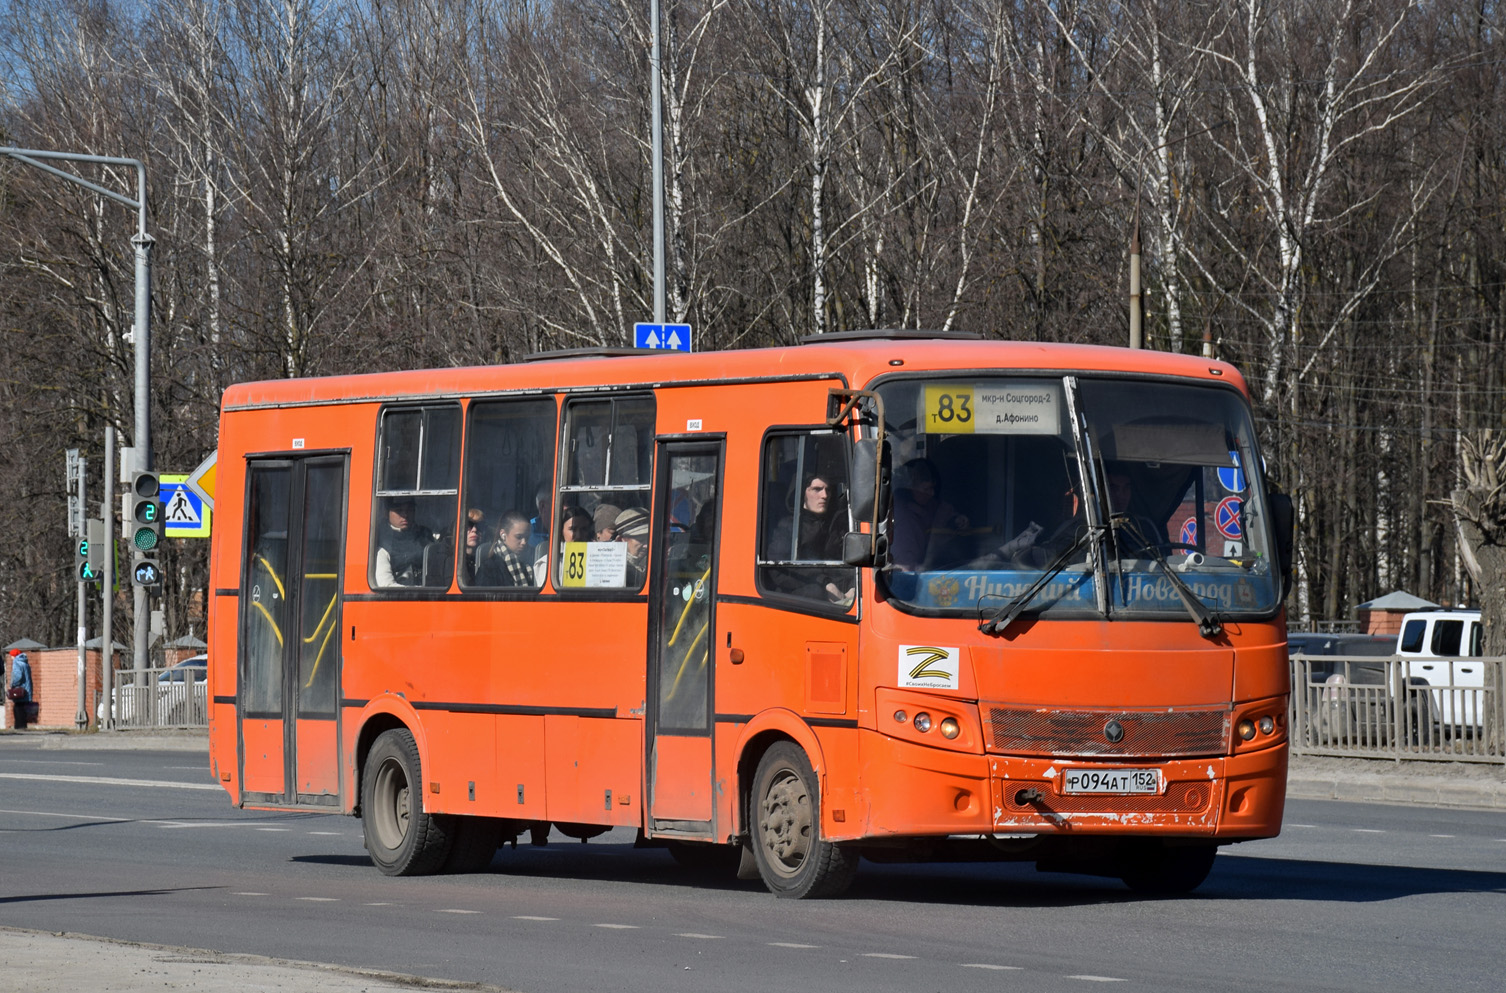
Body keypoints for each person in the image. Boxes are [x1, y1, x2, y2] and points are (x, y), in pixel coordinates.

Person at [766, 473, 852, 604]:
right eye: (817, 489)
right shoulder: (789, 526)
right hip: (801, 600)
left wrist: (853, 586)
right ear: (802, 493)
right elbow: (777, 569)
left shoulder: (834, 525)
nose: (825, 495)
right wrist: (824, 584)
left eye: (828, 490)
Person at [890, 458, 969, 571]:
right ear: (909, 488)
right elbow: (904, 566)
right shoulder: (901, 517)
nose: (931, 494)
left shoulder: (931, 505)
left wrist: (957, 520)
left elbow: (944, 512)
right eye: (926, 489)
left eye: (933, 488)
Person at [374, 497, 433, 587]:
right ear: (386, 513)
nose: (405, 514)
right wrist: (419, 590)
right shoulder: (380, 543)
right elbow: (386, 585)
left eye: (409, 510)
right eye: (399, 510)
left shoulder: (425, 535)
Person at [477, 510, 535, 588]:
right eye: (519, 537)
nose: (524, 542)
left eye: (527, 537)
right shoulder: (489, 568)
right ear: (503, 534)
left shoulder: (532, 562)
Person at [538, 505, 593, 584]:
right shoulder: (549, 564)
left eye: (584, 529)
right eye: (572, 529)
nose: (578, 535)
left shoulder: (596, 558)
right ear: (561, 531)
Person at [614, 507, 650, 587]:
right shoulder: (613, 569)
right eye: (640, 539)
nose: (646, 545)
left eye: (648, 539)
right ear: (620, 540)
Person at [8, 649, 33, 730]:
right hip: (26, 690)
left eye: (11, 655)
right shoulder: (25, 663)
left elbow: (18, 676)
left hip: (19, 691)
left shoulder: (17, 663)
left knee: (18, 709)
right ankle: (23, 726)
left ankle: (19, 727)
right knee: (23, 710)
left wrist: (13, 684)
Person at [460, 508, 486, 585]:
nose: (474, 529)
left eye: (479, 526)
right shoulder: (449, 561)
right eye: (469, 524)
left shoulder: (489, 560)